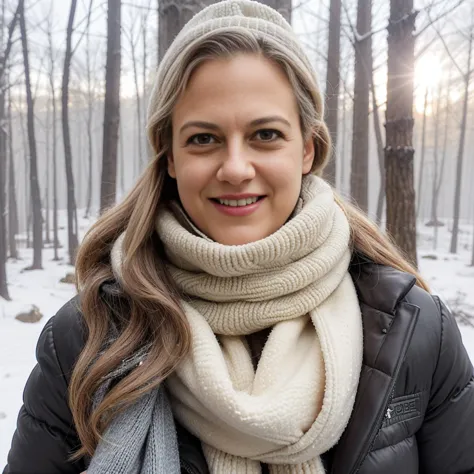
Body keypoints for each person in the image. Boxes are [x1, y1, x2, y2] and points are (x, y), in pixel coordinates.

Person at [4, 1, 474, 473]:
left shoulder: (414, 332)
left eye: (265, 134)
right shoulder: (90, 338)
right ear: (170, 158)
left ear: (308, 150)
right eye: (203, 139)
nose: (234, 168)